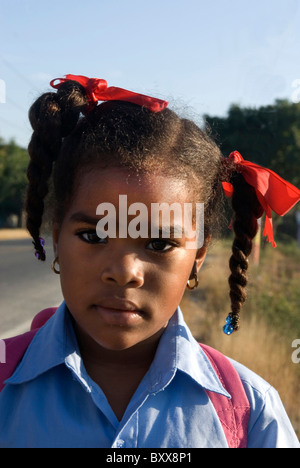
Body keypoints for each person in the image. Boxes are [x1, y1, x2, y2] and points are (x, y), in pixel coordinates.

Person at [0, 74, 299, 448]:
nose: (125, 272)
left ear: (199, 256)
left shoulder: (250, 414)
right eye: (94, 235)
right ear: (58, 236)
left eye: (158, 244)